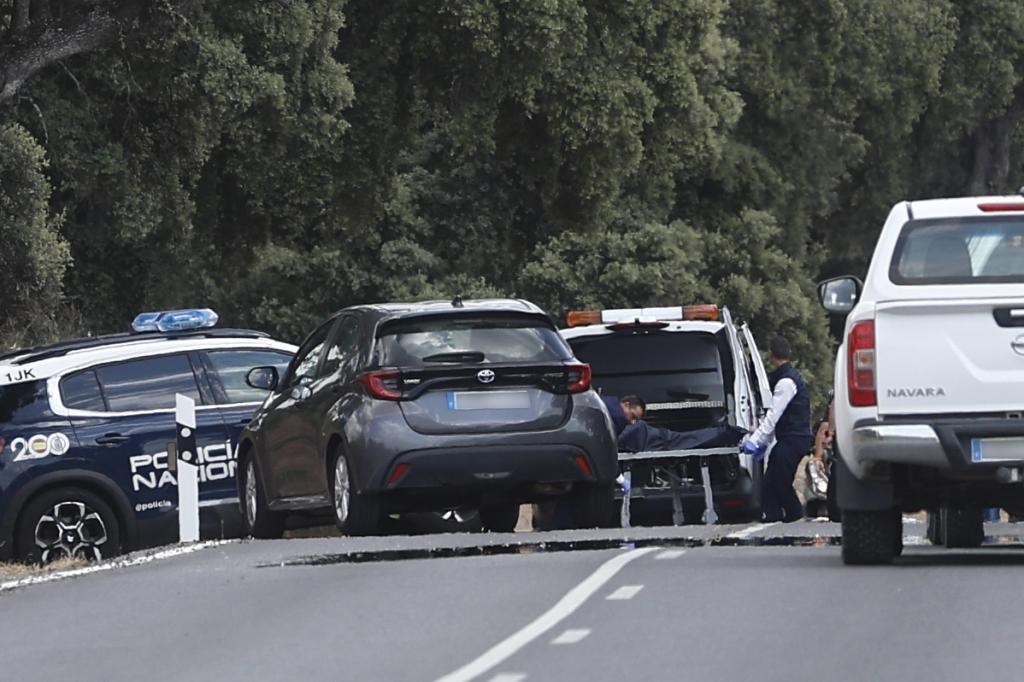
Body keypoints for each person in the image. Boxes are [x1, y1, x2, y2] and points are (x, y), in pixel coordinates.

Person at [742, 335, 813, 522]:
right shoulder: (789, 378)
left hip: (793, 439)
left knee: (778, 482)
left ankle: (795, 516)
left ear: (772, 355)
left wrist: (755, 440)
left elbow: (774, 415)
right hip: (792, 438)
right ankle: (776, 519)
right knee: (770, 484)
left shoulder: (785, 382)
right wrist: (764, 442)